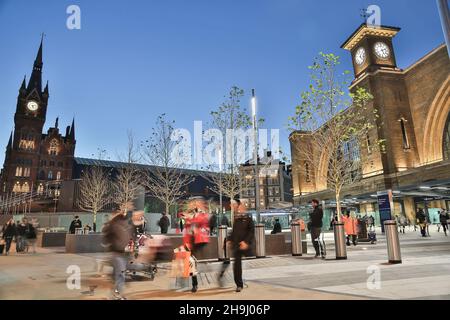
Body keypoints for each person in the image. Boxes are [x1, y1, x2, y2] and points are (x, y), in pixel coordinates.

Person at [218, 199, 254, 292]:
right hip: (237, 246)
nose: (240, 208)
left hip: (245, 245)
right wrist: (229, 239)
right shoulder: (236, 218)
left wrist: (245, 242)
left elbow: (251, 232)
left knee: (236, 262)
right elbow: (234, 231)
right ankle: (239, 284)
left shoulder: (248, 218)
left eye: (241, 207)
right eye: (239, 207)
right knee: (236, 265)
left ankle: (223, 273)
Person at [102, 210, 133, 300]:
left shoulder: (125, 225)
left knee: (118, 275)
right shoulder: (114, 225)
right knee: (120, 275)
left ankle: (114, 295)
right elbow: (106, 236)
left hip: (122, 253)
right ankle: (116, 295)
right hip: (116, 253)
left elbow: (129, 238)